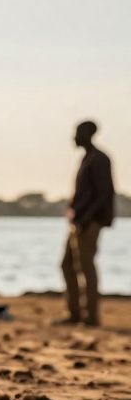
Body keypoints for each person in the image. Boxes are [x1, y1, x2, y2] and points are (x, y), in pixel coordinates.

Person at [59, 120, 115, 327]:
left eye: (77, 133)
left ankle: (91, 317)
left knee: (85, 267)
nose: (74, 137)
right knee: (67, 265)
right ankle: (74, 313)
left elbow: (104, 194)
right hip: (78, 221)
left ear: (87, 134)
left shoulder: (99, 159)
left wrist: (86, 219)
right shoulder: (87, 159)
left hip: (88, 223)